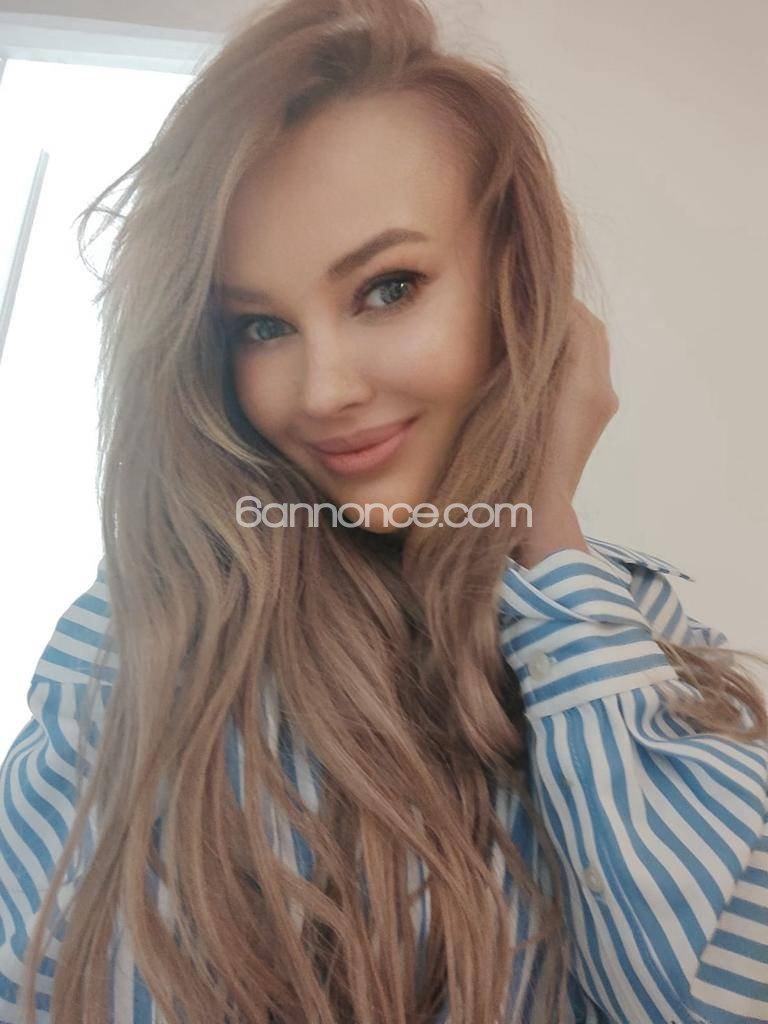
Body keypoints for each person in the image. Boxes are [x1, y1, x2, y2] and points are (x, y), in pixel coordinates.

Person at [1, 0, 766, 1021]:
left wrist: (547, 527)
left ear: (516, 285)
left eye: (388, 288)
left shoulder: (631, 634)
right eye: (261, 326)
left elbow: (699, 995)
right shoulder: (159, 631)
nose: (322, 392)